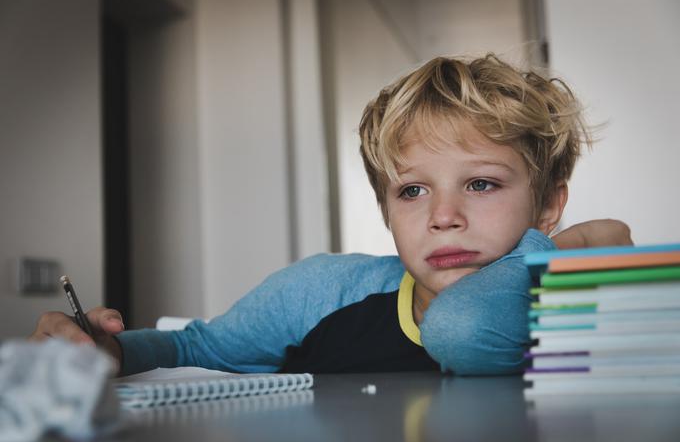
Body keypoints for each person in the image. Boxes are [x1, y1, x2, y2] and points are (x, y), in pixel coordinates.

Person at [30, 54, 632, 376]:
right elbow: (194, 349)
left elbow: (467, 331)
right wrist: (112, 354)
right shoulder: (321, 293)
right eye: (412, 192)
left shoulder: (579, 303)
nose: (443, 216)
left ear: (550, 202)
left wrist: (555, 253)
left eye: (480, 183)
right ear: (385, 210)